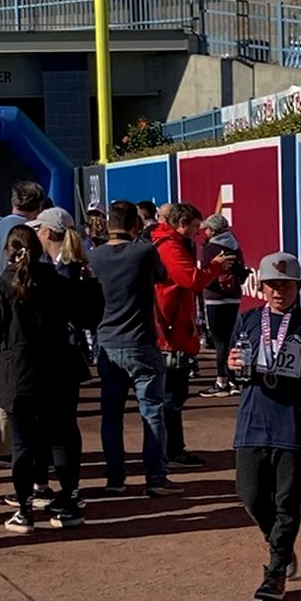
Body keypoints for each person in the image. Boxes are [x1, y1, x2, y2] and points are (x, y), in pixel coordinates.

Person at [0, 224, 103, 533]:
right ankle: (69, 503)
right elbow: (88, 318)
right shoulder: (57, 282)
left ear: (9, 252)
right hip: (58, 370)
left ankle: (24, 509)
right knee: (63, 437)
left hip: (18, 374)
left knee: (23, 444)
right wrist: (91, 284)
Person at [227, 252, 301, 601]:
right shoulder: (246, 320)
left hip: (292, 423)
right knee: (250, 494)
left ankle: (275, 571)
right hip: (252, 421)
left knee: (287, 500)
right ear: (262, 287)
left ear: (297, 288)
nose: (279, 292)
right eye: (273, 285)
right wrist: (230, 365)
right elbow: (232, 364)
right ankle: (279, 542)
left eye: (286, 286)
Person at [88, 200, 183, 497]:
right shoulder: (143, 252)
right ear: (136, 225)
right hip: (140, 343)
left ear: (107, 224)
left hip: (107, 343)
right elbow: (161, 276)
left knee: (111, 415)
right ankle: (155, 477)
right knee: (152, 411)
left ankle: (115, 479)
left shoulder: (95, 257)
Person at [152, 202, 235, 469]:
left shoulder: (169, 242)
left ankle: (170, 450)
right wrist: (215, 267)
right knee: (171, 396)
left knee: (172, 394)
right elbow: (191, 280)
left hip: (173, 329)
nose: (199, 233)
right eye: (196, 227)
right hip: (170, 332)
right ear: (183, 221)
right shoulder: (170, 245)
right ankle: (171, 451)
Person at [0, 182, 45, 466]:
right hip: (35, 330)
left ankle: (8, 451)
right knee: (40, 395)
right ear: (38, 205)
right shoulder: (36, 231)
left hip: (0, 332)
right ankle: (37, 453)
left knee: (4, 393)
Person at [198, 214, 249, 398]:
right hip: (233, 297)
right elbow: (242, 274)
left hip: (214, 298)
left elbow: (204, 275)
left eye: (207, 228)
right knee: (231, 340)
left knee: (220, 342)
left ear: (213, 230)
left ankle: (221, 381)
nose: (205, 231)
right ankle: (235, 380)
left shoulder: (209, 249)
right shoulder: (235, 245)